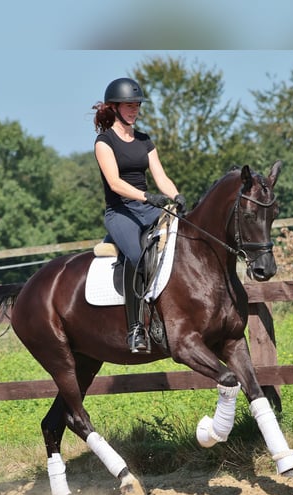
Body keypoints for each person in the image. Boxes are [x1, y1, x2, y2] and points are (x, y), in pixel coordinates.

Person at [92, 77, 186, 353]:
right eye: (129, 105)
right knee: (138, 255)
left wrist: (175, 196)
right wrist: (147, 196)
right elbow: (115, 183)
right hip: (121, 211)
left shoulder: (144, 140)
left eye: (137, 105)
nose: (135, 110)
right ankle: (135, 328)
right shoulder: (104, 142)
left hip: (148, 208)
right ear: (115, 108)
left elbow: (160, 176)